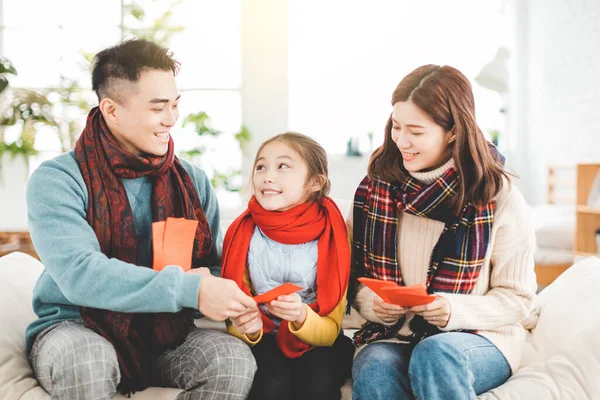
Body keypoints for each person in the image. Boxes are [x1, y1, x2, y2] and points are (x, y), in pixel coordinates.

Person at [25, 38, 257, 399]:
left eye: (175, 105)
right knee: (87, 359)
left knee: (232, 359)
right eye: (157, 107)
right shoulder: (58, 180)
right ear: (111, 110)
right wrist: (188, 288)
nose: (171, 119)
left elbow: (211, 268)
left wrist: (229, 297)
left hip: (161, 331)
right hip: (76, 325)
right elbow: (80, 275)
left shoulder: (191, 182)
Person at [349, 65, 537, 399]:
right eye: (396, 126)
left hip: (481, 337)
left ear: (452, 132)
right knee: (375, 363)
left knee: (435, 353)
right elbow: (353, 278)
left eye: (416, 132)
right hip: (395, 334)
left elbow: (518, 299)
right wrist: (373, 304)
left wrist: (452, 309)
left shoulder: (498, 195)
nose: (401, 141)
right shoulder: (374, 189)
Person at [221, 132, 355, 400]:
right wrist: (248, 327)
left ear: (315, 182)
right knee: (270, 386)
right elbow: (234, 316)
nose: (267, 176)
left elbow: (330, 331)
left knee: (317, 385)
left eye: (283, 166)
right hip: (265, 339)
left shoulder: (336, 234)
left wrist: (301, 316)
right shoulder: (240, 232)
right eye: (261, 167)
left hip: (319, 340)